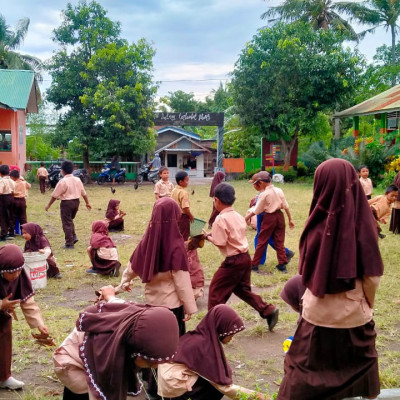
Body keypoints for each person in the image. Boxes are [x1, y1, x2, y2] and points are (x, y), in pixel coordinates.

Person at [277, 158, 384, 400]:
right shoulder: (364, 224)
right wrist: (365, 304)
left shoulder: (314, 222)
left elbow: (307, 272)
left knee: (301, 372)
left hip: (317, 316)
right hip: (354, 316)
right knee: (362, 368)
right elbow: (372, 277)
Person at [53, 287, 180, 400]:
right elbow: (102, 392)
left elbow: (116, 301)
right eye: (150, 362)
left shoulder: (135, 317)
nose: (156, 366)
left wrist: (109, 295)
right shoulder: (108, 359)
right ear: (134, 351)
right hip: (72, 364)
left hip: (96, 360)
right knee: (84, 391)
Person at [202, 183, 279, 331]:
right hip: (245, 258)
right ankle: (268, 310)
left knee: (215, 292)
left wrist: (207, 237)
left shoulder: (220, 219)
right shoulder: (237, 216)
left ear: (216, 200)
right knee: (242, 289)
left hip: (233, 261)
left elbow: (221, 241)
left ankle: (212, 326)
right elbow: (233, 235)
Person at [115, 197, 197, 336]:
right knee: (172, 342)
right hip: (172, 307)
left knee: (156, 340)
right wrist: (189, 307)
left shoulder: (147, 241)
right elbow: (182, 282)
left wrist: (124, 283)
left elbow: (132, 267)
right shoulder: (176, 246)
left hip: (152, 304)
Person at [158, 304, 266, 400]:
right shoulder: (203, 346)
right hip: (174, 389)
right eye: (231, 334)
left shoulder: (201, 336)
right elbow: (223, 387)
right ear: (221, 328)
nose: (231, 338)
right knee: (215, 386)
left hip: (170, 382)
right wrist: (258, 396)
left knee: (214, 378)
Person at [0, 244, 50, 390]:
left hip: (3, 318)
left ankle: (4, 377)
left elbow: (27, 302)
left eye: (18, 271)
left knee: (3, 346)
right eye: (12, 273)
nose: (16, 275)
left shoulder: (19, 274)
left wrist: (39, 323)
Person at [245, 171, 295, 274]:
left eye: (258, 183)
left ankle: (254, 265)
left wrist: (246, 218)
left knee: (262, 240)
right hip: (280, 216)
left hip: (269, 218)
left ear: (262, 183)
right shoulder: (279, 190)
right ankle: (282, 265)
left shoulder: (264, 194)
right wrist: (290, 219)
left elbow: (257, 210)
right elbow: (286, 206)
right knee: (279, 241)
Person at [45, 160, 92, 249]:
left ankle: (69, 243)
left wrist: (49, 205)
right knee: (69, 220)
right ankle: (73, 236)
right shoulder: (77, 179)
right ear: (73, 169)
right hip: (76, 202)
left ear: (62, 171)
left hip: (67, 203)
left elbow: (55, 195)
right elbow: (84, 193)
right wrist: (87, 203)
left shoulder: (63, 181)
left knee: (66, 222)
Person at [171, 171, 194, 241]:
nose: (188, 182)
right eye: (187, 180)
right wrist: (190, 215)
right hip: (182, 217)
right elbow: (185, 207)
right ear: (181, 182)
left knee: (175, 234)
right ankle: (182, 250)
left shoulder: (174, 190)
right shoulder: (183, 192)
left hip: (174, 216)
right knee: (184, 236)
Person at [10, 169, 30, 236]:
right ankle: (24, 232)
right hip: (22, 200)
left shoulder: (13, 183)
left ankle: (12, 233)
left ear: (13, 177)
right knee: (23, 217)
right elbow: (29, 186)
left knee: (13, 217)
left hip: (15, 200)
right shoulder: (23, 182)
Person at [0, 165, 16, 241]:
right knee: (11, 215)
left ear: (0, 173)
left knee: (3, 216)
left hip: (3, 198)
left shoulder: (2, 181)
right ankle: (11, 232)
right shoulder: (12, 181)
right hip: (11, 197)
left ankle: (3, 234)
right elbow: (13, 190)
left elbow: (0, 191)